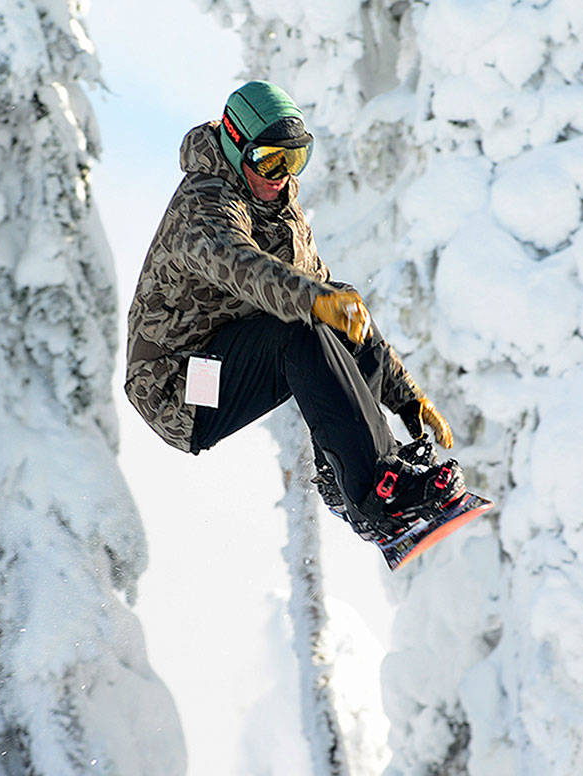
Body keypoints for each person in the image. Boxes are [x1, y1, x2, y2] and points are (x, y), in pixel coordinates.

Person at [124, 80, 465, 545]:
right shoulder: (203, 206)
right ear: (235, 145)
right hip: (178, 386)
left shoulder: (279, 207)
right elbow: (242, 267)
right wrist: (312, 301)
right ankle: (375, 495)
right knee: (299, 327)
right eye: (268, 159)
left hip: (229, 351)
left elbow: (330, 301)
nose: (280, 174)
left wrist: (404, 395)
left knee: (334, 304)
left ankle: (354, 478)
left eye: (294, 159)